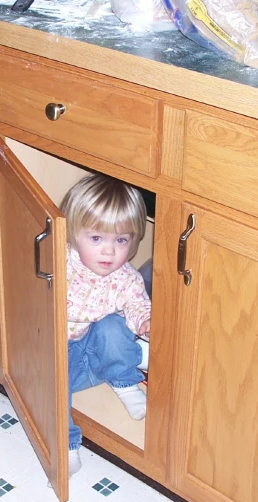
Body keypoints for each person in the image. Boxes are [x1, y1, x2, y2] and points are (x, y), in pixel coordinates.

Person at [60, 173, 151, 476]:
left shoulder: (126, 278)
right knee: (50, 387)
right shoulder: (58, 260)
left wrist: (147, 323)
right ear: (73, 233)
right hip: (57, 357)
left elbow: (138, 305)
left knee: (113, 326)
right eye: (96, 238)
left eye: (121, 240)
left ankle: (125, 382)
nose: (109, 251)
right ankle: (67, 446)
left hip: (95, 355)